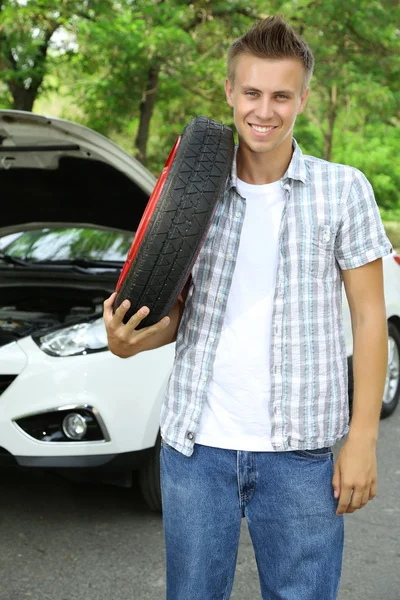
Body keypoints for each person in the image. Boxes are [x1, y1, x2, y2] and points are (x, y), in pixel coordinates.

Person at [103, 15, 392, 600]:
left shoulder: (345, 189)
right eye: (253, 92)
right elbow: (179, 314)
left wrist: (363, 438)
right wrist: (127, 338)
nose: (265, 110)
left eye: (281, 95)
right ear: (231, 93)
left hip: (301, 456)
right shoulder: (193, 193)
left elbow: (368, 319)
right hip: (196, 449)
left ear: (303, 99)